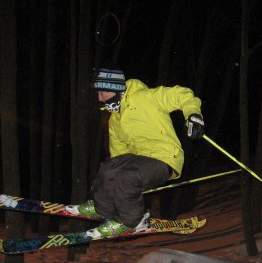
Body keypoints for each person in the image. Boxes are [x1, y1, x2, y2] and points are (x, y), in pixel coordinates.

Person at [66, 66, 205, 238]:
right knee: (108, 169)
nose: (99, 98)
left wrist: (193, 115)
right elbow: (118, 157)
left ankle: (134, 221)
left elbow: (181, 94)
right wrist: (110, 185)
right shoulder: (115, 120)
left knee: (126, 177)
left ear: (114, 89)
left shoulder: (145, 98)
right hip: (140, 160)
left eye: (102, 92)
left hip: (165, 158)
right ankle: (103, 208)